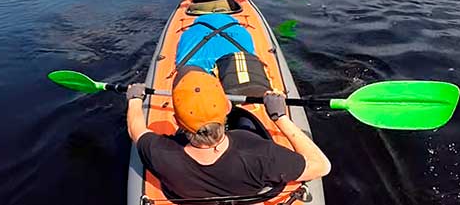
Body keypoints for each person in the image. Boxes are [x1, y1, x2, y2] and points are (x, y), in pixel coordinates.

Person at [126, 69, 331, 200]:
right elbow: (322, 166)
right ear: (227, 108)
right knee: (246, 121)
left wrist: (135, 98)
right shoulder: (258, 152)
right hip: (250, 179)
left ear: (177, 121)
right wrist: (279, 117)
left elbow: (135, 127)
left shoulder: (159, 152)